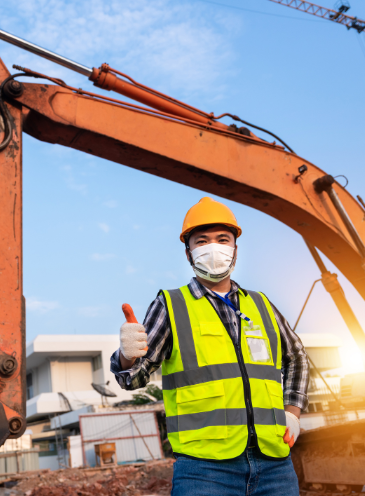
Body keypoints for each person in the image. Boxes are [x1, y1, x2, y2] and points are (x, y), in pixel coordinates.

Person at [110, 197, 309, 496]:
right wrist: (127, 357)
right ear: (189, 253)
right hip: (205, 470)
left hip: (275, 464)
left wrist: (292, 411)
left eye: (222, 239)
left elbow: (297, 357)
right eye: (202, 241)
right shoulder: (171, 304)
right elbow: (133, 377)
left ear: (235, 250)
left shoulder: (261, 304)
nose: (213, 248)